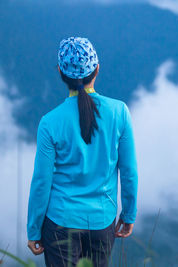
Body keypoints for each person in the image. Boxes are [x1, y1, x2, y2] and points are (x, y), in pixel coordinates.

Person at [26, 36, 139, 267]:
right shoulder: (120, 112)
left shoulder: (49, 123)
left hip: (59, 223)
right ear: (97, 69)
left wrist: (34, 228)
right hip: (102, 222)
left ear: (60, 72)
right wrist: (128, 214)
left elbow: (41, 181)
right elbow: (129, 172)